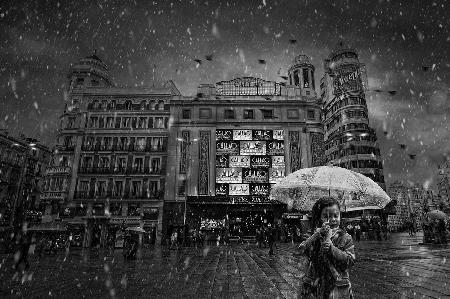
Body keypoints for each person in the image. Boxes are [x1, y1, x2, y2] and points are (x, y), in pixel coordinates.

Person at [298, 197, 355, 298]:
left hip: (337, 287)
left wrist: (332, 249)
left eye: (335, 215)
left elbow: (349, 261)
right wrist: (316, 237)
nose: (332, 219)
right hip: (315, 284)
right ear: (319, 217)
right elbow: (304, 251)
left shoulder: (345, 238)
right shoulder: (313, 234)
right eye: (326, 216)